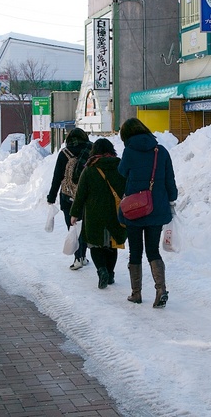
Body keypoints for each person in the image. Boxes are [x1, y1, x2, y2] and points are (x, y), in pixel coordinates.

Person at [118, 118, 178, 308]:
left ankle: (136, 294)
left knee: (135, 251)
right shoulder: (161, 151)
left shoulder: (129, 151)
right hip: (156, 208)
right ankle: (161, 290)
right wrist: (171, 198)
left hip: (134, 209)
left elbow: (122, 172)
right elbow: (170, 180)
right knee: (153, 250)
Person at [69, 138, 127, 289]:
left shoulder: (89, 169)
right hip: (115, 212)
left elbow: (81, 194)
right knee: (111, 244)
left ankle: (101, 270)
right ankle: (111, 273)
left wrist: (74, 213)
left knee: (95, 245)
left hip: (94, 214)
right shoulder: (119, 166)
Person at [47, 128, 92, 270]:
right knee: (84, 227)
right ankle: (83, 256)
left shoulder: (64, 153)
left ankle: (77, 257)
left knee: (72, 227)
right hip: (86, 196)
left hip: (68, 197)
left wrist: (51, 197)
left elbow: (57, 177)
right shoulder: (91, 151)